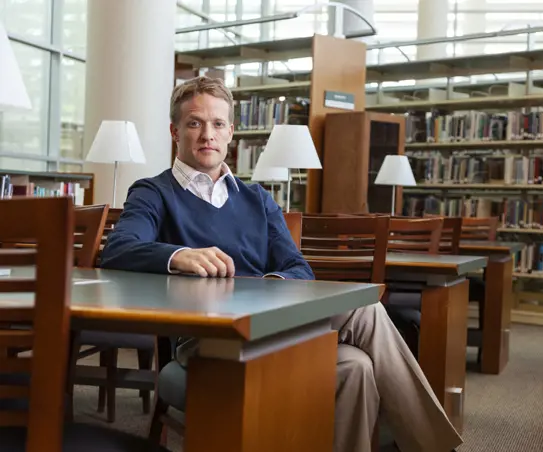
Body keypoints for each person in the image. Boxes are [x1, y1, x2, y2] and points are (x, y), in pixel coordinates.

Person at [100, 75, 462, 452]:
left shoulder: (258, 199)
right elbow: (119, 248)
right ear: (175, 131)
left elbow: (298, 268)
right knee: (366, 312)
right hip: (209, 338)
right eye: (195, 123)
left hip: (272, 321)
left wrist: (264, 291)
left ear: (231, 133)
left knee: (357, 365)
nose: (207, 133)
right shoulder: (153, 192)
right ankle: (436, 448)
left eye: (218, 124)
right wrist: (179, 255)